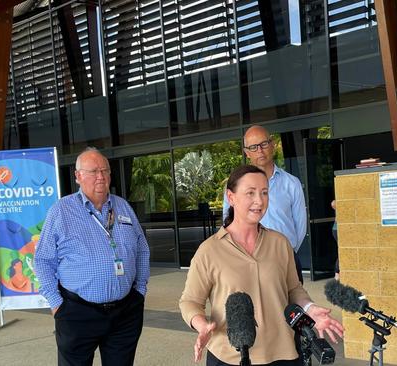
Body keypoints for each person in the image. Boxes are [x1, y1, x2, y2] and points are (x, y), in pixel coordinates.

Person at [182, 165, 343, 366]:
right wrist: (202, 324)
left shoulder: (280, 243)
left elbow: (293, 289)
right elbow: (190, 302)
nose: (259, 200)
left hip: (282, 353)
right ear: (231, 198)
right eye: (250, 193)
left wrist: (310, 308)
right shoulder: (209, 250)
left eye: (264, 192)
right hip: (229, 356)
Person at [34, 147, 150, 366]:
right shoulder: (61, 211)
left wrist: (140, 290)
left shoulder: (122, 206)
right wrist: (56, 303)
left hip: (125, 312)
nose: (101, 176)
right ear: (78, 176)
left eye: (105, 170)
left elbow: (142, 249)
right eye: (94, 171)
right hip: (77, 313)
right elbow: (42, 259)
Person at [223, 125, 307, 283]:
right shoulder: (235, 186)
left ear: (272, 144)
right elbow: (228, 221)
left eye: (264, 144)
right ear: (247, 152)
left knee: (292, 306)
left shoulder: (291, 183)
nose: (260, 151)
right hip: (246, 260)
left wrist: (285, 252)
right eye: (253, 147)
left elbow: (300, 227)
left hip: (285, 260)